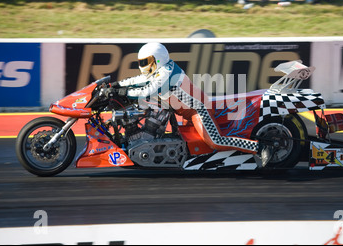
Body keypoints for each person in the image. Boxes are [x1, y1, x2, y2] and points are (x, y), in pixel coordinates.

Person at [114, 43, 269, 167]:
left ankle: (260, 147)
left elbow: (149, 89)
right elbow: (137, 80)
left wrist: (123, 92)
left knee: (215, 141)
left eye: (145, 62)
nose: (142, 65)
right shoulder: (160, 70)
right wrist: (115, 85)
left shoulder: (167, 74)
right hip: (184, 110)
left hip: (199, 110)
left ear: (156, 59)